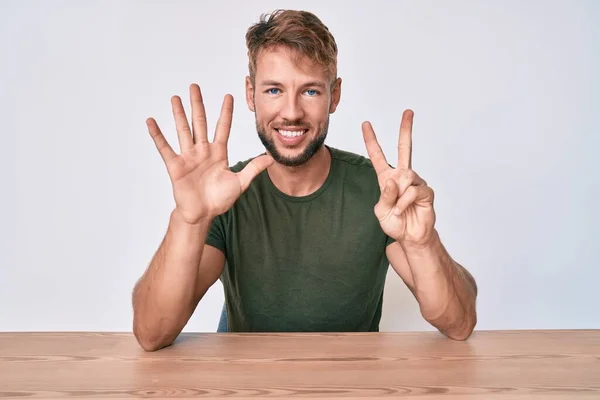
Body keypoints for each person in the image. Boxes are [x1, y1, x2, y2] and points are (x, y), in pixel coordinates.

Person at [132, 9, 478, 351]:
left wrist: (422, 243)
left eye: (310, 91)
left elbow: (459, 324)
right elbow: (152, 333)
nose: (292, 112)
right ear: (250, 93)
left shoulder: (381, 191)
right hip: (249, 385)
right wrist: (189, 219)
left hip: (352, 384)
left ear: (335, 96)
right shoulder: (222, 194)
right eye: (274, 90)